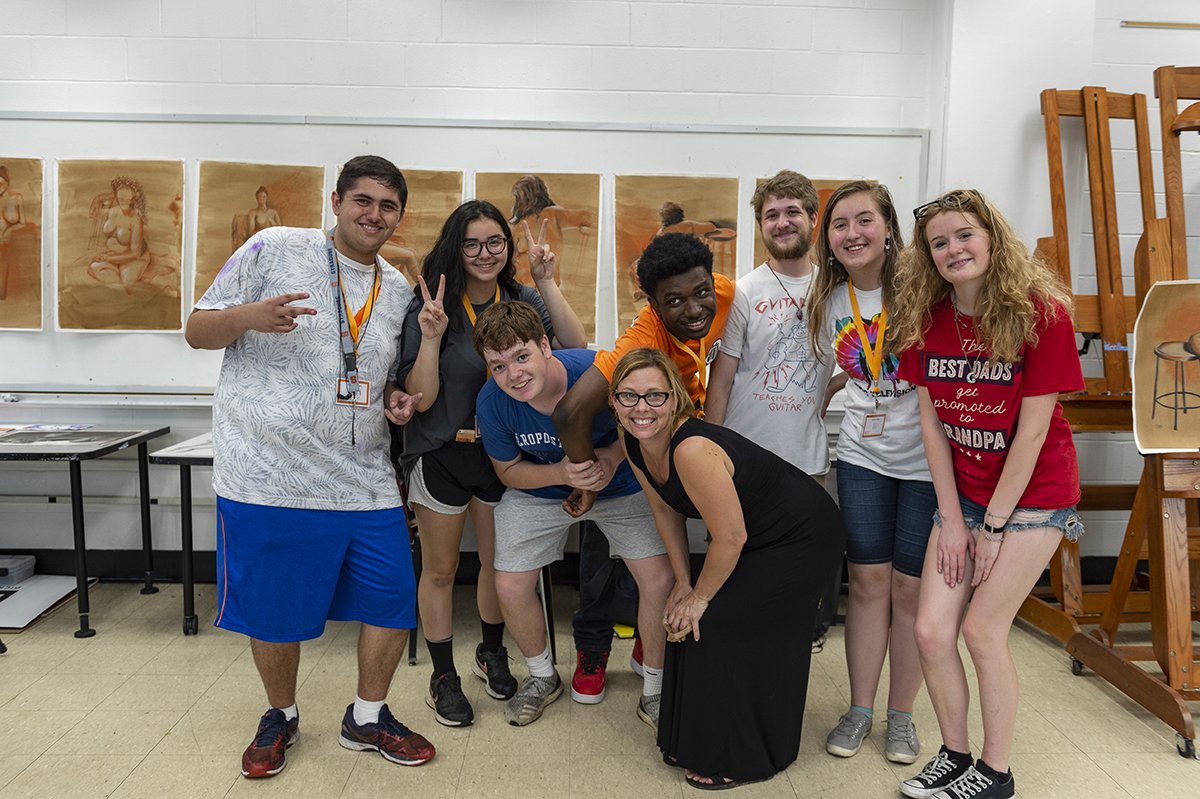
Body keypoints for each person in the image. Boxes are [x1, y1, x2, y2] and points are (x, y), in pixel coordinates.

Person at [184, 155, 435, 778]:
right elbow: (195, 329)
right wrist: (247, 317)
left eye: (388, 206)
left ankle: (368, 717)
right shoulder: (272, 247)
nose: (375, 215)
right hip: (269, 473)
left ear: (399, 216)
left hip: (364, 476)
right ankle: (281, 715)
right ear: (336, 201)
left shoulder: (398, 288)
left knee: (392, 599)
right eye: (363, 201)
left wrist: (398, 397)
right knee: (274, 610)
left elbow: (389, 379)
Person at [892, 189, 1084, 799]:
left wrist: (993, 528)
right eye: (939, 243)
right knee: (929, 631)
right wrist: (952, 520)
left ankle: (996, 775)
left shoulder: (1041, 313)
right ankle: (954, 753)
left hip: (1034, 497)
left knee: (981, 631)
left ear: (992, 238)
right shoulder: (926, 317)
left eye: (964, 235)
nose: (953, 249)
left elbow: (1031, 432)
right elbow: (932, 427)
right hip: (966, 497)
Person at [610, 348, 846, 790]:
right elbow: (665, 512)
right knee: (683, 619)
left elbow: (730, 538)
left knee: (711, 622)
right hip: (754, 539)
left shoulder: (692, 449)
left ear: (676, 399)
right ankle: (692, 737)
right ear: (615, 401)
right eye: (629, 396)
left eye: (655, 396)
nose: (641, 408)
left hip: (803, 536)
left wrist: (700, 598)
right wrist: (682, 584)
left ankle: (742, 755)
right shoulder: (633, 441)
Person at [393, 200, 586, 728]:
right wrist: (431, 338)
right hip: (442, 452)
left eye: (496, 243)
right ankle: (442, 677)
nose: (485, 254)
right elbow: (422, 398)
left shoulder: (522, 297)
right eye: (472, 244)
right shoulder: (432, 303)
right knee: (442, 568)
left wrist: (547, 282)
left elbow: (574, 347)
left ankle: (491, 653)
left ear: (509, 247)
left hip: (507, 455)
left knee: (500, 566)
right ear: (456, 248)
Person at [470, 300, 674, 727]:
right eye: (499, 366)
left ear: (545, 345)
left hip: (621, 484)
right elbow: (507, 472)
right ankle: (543, 677)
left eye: (521, 357)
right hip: (544, 490)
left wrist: (614, 458)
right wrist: (561, 471)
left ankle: (655, 688)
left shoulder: (595, 371)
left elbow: (650, 425)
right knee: (508, 582)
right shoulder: (492, 402)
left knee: (658, 579)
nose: (514, 375)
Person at [551, 231, 735, 704]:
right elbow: (570, 414)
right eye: (674, 301)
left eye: (700, 294)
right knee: (603, 549)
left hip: (692, 448)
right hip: (636, 452)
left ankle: (651, 647)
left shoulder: (729, 293)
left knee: (666, 562)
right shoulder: (642, 335)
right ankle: (592, 649)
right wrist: (589, 478)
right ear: (652, 302)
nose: (694, 309)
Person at [806, 180, 937, 764]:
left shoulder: (926, 293)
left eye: (864, 221)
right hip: (863, 454)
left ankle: (901, 717)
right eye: (840, 225)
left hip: (929, 462)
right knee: (866, 583)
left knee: (910, 591)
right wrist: (841, 381)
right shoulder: (828, 297)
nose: (852, 233)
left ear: (888, 229)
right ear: (828, 239)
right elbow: (859, 362)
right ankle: (860, 709)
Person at [706, 169, 834, 479]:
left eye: (792, 212)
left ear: (814, 218)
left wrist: (833, 387)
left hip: (807, 461)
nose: (782, 223)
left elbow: (863, 359)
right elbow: (720, 383)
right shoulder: (743, 292)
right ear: (762, 225)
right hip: (742, 459)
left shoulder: (834, 291)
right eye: (771, 215)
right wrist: (708, 455)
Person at [86, 175, 156, 294]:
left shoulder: (135, 219)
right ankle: (123, 279)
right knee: (94, 268)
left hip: (134, 258)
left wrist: (108, 258)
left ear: (133, 199)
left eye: (127, 201)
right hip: (116, 257)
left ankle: (156, 288)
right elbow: (103, 198)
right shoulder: (113, 210)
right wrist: (96, 201)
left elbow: (135, 253)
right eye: (120, 200)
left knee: (130, 285)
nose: (123, 203)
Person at [0, 165, 27, 301]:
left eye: (1, 184)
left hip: (7, 242)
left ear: (7, 183)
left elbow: (23, 223)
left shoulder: (16, 198)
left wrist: (9, 229)